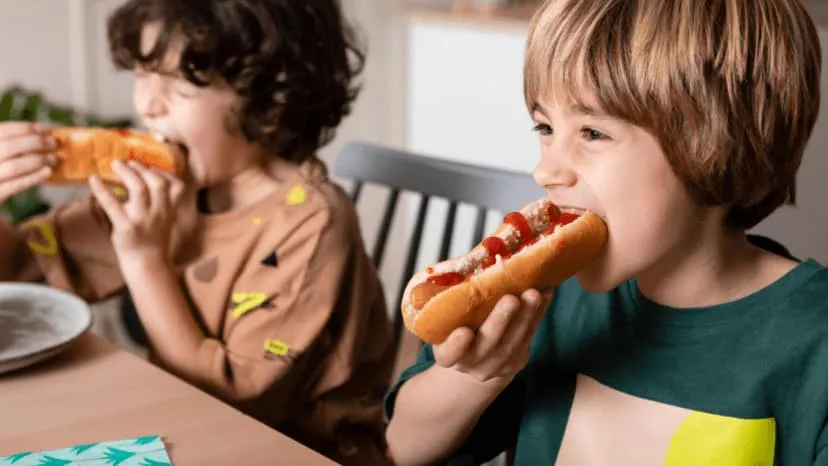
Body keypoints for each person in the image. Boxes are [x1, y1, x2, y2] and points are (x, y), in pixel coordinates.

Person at [384, 0, 828, 464]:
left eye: (592, 133)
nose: (545, 170)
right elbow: (402, 448)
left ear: (718, 142)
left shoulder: (814, 343)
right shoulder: (547, 302)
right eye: (545, 127)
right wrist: (474, 376)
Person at [0, 1, 394, 464]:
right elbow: (23, 267)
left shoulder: (311, 223)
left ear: (268, 94)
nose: (147, 103)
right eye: (143, 73)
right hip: (186, 434)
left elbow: (236, 404)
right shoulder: (168, 188)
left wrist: (144, 260)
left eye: (181, 85)